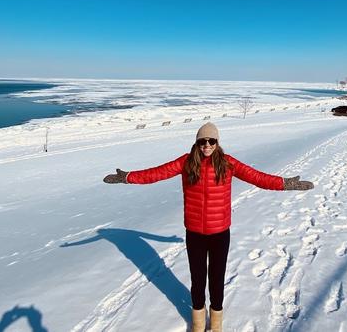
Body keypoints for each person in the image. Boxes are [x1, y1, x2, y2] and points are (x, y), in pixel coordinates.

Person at [103, 122, 314, 332]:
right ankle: (197, 325)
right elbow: (156, 173)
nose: (207, 145)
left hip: (220, 233)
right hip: (194, 233)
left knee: (216, 278)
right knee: (197, 280)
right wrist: (128, 177)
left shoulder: (227, 163)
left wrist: (285, 184)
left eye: (211, 141)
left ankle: (216, 325)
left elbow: (257, 177)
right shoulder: (186, 162)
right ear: (197, 143)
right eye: (203, 141)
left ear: (217, 142)